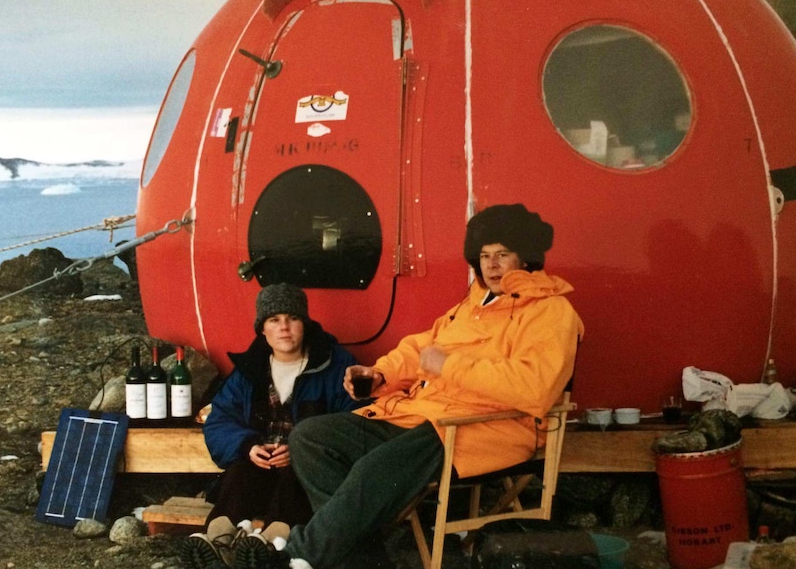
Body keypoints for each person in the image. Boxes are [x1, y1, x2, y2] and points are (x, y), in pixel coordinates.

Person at [233, 204, 585, 569]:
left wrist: (451, 366)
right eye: (484, 256)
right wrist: (381, 375)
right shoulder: (469, 308)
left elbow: (534, 387)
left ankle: (297, 555)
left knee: (375, 468)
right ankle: (364, 562)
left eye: (502, 255)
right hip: (424, 415)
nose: (492, 265)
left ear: (525, 257)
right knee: (310, 437)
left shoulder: (551, 311)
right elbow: (419, 349)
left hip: (484, 427)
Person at [200, 283, 362, 529]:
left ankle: (274, 545)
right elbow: (219, 421)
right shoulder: (248, 370)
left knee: (294, 479)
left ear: (304, 325)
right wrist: (247, 446)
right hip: (258, 472)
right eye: (274, 320)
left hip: (306, 477)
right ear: (262, 329)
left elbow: (356, 424)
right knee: (238, 474)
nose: (284, 328)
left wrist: (302, 451)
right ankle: (216, 540)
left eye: (293, 318)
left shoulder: (337, 365)